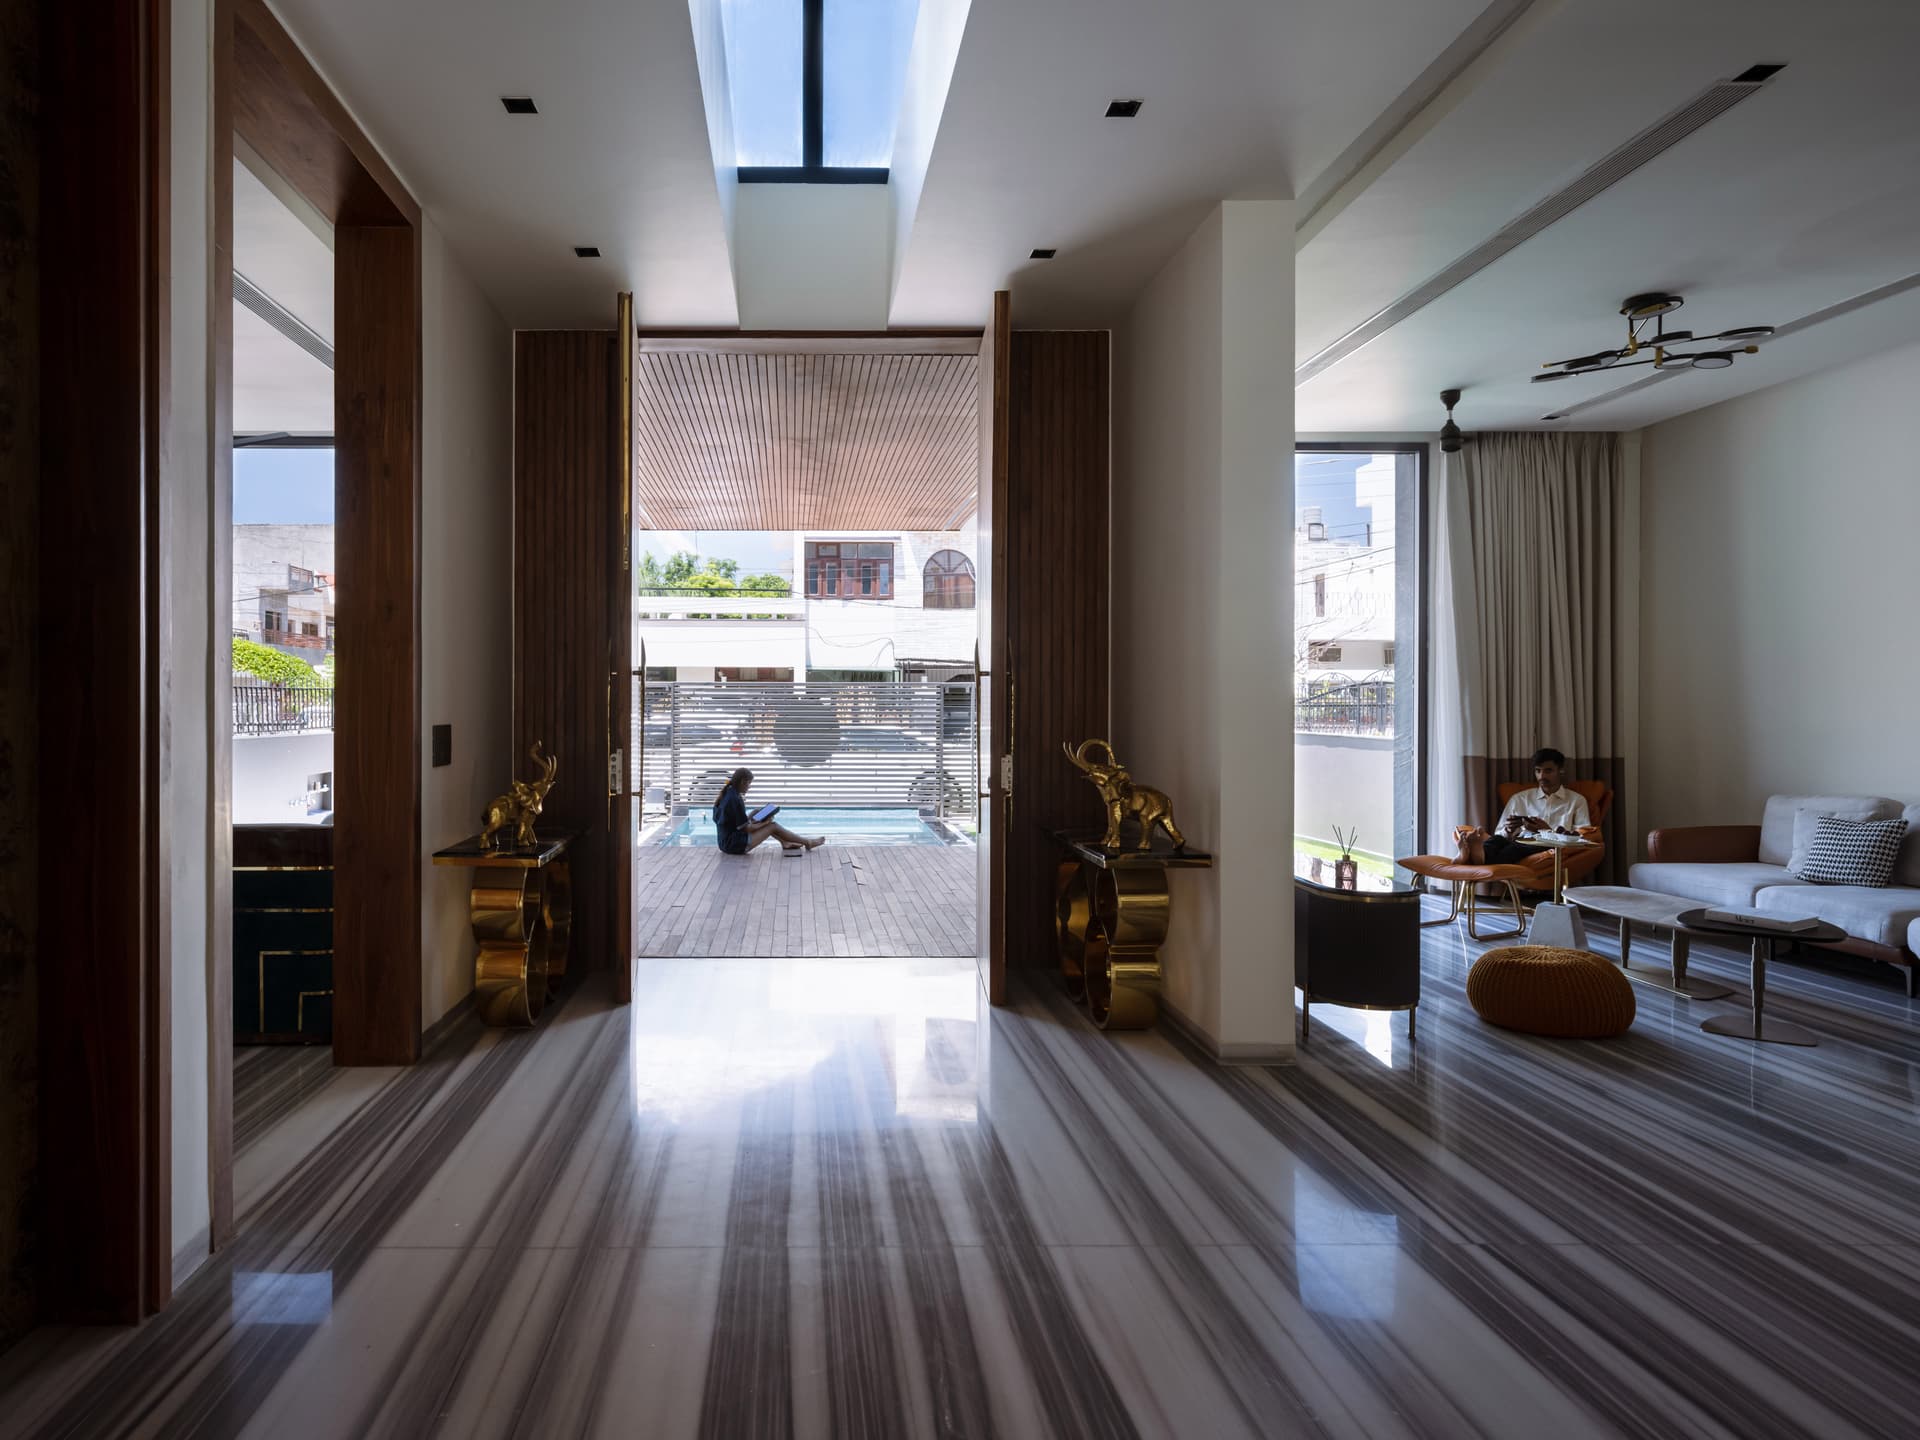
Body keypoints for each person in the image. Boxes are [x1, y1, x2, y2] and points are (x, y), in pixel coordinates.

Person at [1453, 747, 1591, 866]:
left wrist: (1547, 831)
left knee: (1516, 848)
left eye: (1548, 771)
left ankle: (1466, 857)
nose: (1542, 776)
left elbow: (1583, 837)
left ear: (1561, 771)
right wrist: (1508, 830)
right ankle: (1475, 855)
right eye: (1538, 771)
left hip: (1550, 845)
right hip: (1517, 839)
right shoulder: (1520, 798)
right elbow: (1500, 832)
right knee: (1496, 840)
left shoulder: (1576, 801)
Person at [712, 768, 825, 856]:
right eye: (749, 784)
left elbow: (733, 823)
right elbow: (746, 829)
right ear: (742, 782)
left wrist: (757, 819)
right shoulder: (735, 799)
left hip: (725, 842)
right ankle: (808, 843)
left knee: (756, 812)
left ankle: (784, 842)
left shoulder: (728, 792)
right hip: (734, 845)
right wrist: (766, 823)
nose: (749, 787)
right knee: (772, 826)